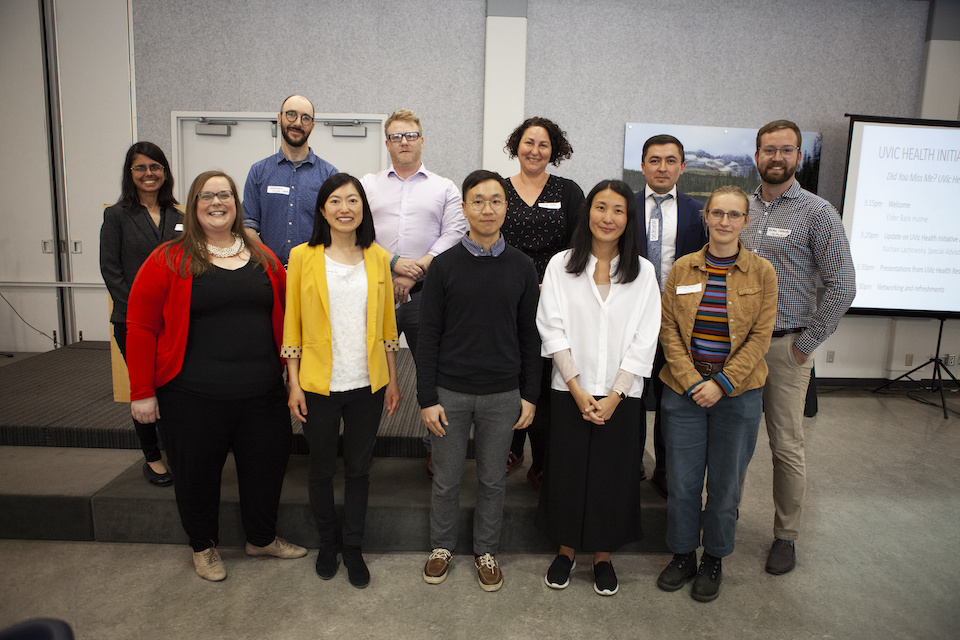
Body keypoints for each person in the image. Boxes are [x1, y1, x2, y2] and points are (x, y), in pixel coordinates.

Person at [126, 170, 307, 582]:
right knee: (196, 474)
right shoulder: (168, 258)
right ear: (193, 206)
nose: (216, 202)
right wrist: (142, 391)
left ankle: (261, 537)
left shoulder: (262, 257)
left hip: (261, 393)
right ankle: (203, 546)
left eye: (224, 195)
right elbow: (140, 327)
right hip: (191, 394)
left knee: (266, 467)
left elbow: (290, 317)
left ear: (236, 203)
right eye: (206, 196)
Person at [536, 179, 660, 597]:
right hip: (569, 388)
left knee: (613, 475)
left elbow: (646, 336)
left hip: (621, 395)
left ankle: (603, 555)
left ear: (629, 219)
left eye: (619, 210)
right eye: (601, 207)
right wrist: (575, 387)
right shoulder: (561, 264)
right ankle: (567, 550)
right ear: (587, 212)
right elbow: (550, 327)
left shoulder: (643, 272)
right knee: (568, 472)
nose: (608, 217)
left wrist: (615, 395)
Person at [418, 170, 541, 592]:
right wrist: (427, 396)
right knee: (447, 478)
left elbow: (530, 336)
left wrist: (530, 395)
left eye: (495, 201)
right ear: (465, 208)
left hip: (502, 394)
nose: (487, 209)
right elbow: (429, 334)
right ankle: (442, 547)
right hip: (450, 392)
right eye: (477, 201)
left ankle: (486, 550)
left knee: (492, 479)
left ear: (507, 207)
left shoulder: (523, 267)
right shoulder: (444, 266)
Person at [742, 120, 855, 575]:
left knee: (786, 446)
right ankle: (722, 519)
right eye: (769, 150)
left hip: (786, 349)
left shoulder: (818, 212)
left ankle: (785, 537)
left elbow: (843, 285)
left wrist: (805, 346)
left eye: (786, 150)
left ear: (798, 157)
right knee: (734, 443)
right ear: (757, 156)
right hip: (736, 351)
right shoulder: (742, 210)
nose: (777, 158)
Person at [656, 186, 777, 602]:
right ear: (706, 217)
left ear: (746, 221)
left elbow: (761, 337)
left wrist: (722, 383)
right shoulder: (682, 269)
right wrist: (692, 381)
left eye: (734, 215)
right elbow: (668, 329)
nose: (725, 221)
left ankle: (714, 558)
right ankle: (683, 554)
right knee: (683, 483)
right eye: (718, 213)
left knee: (725, 487)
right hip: (683, 391)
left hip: (738, 396)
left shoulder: (762, 272)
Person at [284, 173, 401, 589]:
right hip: (317, 383)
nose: (345, 208)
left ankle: (353, 548)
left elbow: (388, 324)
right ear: (322, 209)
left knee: (358, 470)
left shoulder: (378, 257)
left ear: (363, 209)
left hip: (366, 382)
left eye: (353, 200)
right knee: (319, 469)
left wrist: (391, 378)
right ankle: (328, 544)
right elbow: (292, 323)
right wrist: (293, 383)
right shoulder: (302, 257)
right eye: (336, 201)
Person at [360, 109, 465, 478]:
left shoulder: (445, 187)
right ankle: (361, 447)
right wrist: (394, 264)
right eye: (396, 136)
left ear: (422, 139)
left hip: (426, 295)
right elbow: (358, 232)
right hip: (375, 293)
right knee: (367, 372)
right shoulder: (368, 185)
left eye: (411, 135)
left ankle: (434, 448)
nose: (403, 141)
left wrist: (417, 267)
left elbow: (453, 234)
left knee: (432, 373)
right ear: (386, 142)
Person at [501, 116, 585, 489]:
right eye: (529, 142)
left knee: (549, 375)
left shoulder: (568, 191)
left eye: (543, 144)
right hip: (505, 298)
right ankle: (511, 447)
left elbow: (580, 246)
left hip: (555, 298)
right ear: (516, 145)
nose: (535, 150)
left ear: (555, 150)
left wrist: (548, 283)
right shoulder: (499, 189)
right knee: (509, 372)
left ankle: (544, 458)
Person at [99, 141, 183, 487]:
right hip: (133, 322)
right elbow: (111, 270)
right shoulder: (117, 216)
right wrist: (140, 311)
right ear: (130, 173)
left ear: (165, 172)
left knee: (174, 390)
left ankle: (177, 450)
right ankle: (152, 457)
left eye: (155, 167)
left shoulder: (180, 216)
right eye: (141, 168)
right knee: (144, 388)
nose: (149, 174)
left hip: (175, 322)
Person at [635, 134, 707, 497]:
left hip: (678, 324)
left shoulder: (699, 213)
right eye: (654, 160)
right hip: (631, 319)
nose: (662, 167)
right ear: (643, 164)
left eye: (670, 160)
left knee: (669, 400)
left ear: (682, 166)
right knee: (630, 394)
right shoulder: (624, 207)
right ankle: (630, 463)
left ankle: (664, 468)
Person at [243, 94, 338, 264]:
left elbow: (337, 229)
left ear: (312, 126)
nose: (298, 123)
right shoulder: (258, 172)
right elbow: (248, 226)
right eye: (291, 114)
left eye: (305, 118)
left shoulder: (329, 175)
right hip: (268, 271)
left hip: (313, 272)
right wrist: (271, 263)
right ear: (279, 119)